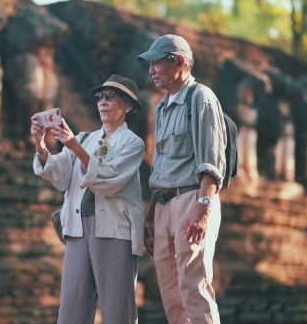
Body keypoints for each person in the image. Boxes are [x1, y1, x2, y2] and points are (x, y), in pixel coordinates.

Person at [31, 74, 145, 324]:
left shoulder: (133, 143)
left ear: (127, 106)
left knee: (117, 310)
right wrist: (41, 146)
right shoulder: (84, 138)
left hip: (114, 230)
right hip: (77, 229)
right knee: (71, 310)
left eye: (111, 97)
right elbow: (60, 176)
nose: (103, 102)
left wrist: (74, 147)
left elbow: (109, 181)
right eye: (100, 97)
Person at [138, 34, 227, 324]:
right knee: (170, 293)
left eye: (156, 63)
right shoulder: (163, 107)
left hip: (193, 199)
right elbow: (161, 167)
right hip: (164, 204)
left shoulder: (200, 97)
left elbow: (211, 161)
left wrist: (203, 209)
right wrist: (152, 215)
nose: (151, 70)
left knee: (193, 286)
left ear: (179, 63)